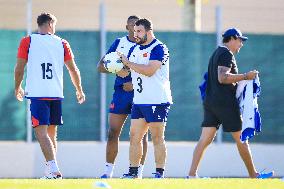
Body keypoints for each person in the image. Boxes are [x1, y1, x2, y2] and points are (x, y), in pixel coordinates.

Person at [187, 28, 274, 179]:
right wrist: (246, 76)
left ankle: (191, 175)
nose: (241, 44)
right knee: (242, 139)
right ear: (232, 38)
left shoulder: (217, 52)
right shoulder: (226, 53)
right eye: (240, 40)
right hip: (225, 103)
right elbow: (223, 77)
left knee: (205, 139)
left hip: (211, 102)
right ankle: (254, 175)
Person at [14, 13, 85, 179]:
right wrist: (79, 89)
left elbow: (19, 68)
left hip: (38, 94)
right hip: (55, 93)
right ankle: (50, 171)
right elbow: (73, 69)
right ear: (51, 24)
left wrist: (17, 87)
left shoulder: (28, 41)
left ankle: (53, 170)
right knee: (51, 133)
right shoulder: (62, 42)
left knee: (41, 133)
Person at [119, 18, 172, 178]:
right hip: (140, 101)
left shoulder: (159, 48)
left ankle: (159, 173)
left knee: (157, 137)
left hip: (157, 100)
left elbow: (149, 70)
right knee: (134, 137)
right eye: (134, 31)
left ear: (148, 31)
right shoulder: (134, 49)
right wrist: (116, 67)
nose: (136, 34)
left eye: (139, 31)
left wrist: (128, 63)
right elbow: (128, 70)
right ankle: (133, 172)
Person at [97, 15, 148, 179]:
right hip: (120, 94)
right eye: (132, 26)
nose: (135, 29)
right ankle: (108, 172)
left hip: (140, 93)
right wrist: (117, 70)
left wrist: (134, 83)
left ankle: (138, 173)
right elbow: (100, 66)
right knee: (112, 132)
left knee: (140, 135)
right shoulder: (119, 43)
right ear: (127, 27)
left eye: (138, 27)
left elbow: (154, 73)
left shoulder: (148, 46)